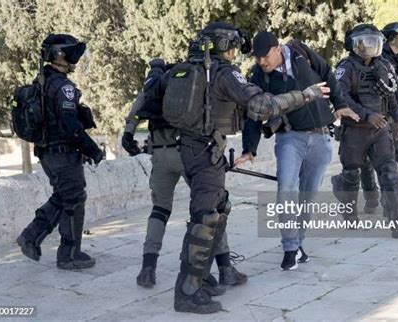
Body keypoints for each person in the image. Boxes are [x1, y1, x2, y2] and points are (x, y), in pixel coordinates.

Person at [152, 21, 330, 314]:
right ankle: (187, 290)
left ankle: (208, 276)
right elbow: (262, 107)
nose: (237, 52)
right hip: (205, 150)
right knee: (205, 217)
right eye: (234, 46)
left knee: (217, 209)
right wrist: (306, 95)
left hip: (193, 147)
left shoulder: (185, 69)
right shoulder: (223, 72)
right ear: (225, 45)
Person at [235, 31, 359, 271]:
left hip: (321, 135)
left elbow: (327, 74)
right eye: (257, 58)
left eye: (265, 57)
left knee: (308, 196)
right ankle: (290, 248)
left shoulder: (302, 54)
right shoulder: (259, 76)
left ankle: (298, 243)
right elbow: (253, 113)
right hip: (290, 137)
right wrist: (249, 148)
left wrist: (341, 104)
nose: (262, 62)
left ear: (277, 49)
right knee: (286, 190)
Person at [121, 59, 247, 294]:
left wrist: (128, 134)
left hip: (159, 154)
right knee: (210, 210)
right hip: (186, 153)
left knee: (159, 210)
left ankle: (148, 268)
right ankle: (225, 269)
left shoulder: (151, 87)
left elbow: (134, 116)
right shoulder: (185, 86)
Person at [16, 34, 104, 270]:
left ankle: (31, 237)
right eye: (72, 54)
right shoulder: (63, 87)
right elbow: (69, 124)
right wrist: (93, 149)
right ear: (59, 55)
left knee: (63, 196)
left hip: (47, 152)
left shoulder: (42, 81)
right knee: (74, 198)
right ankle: (69, 255)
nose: (76, 59)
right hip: (62, 153)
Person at [330, 24, 398, 238]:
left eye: (373, 41)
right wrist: (366, 115)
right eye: (366, 42)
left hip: (380, 131)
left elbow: (393, 96)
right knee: (351, 177)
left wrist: (397, 122)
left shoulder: (384, 65)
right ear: (355, 44)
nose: (370, 46)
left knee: (390, 174)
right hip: (354, 132)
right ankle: (349, 213)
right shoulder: (346, 67)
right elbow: (341, 98)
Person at [359, 20, 398, 211]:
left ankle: (392, 190)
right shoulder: (376, 57)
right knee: (367, 159)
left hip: (393, 113)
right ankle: (372, 196)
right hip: (373, 115)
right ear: (392, 37)